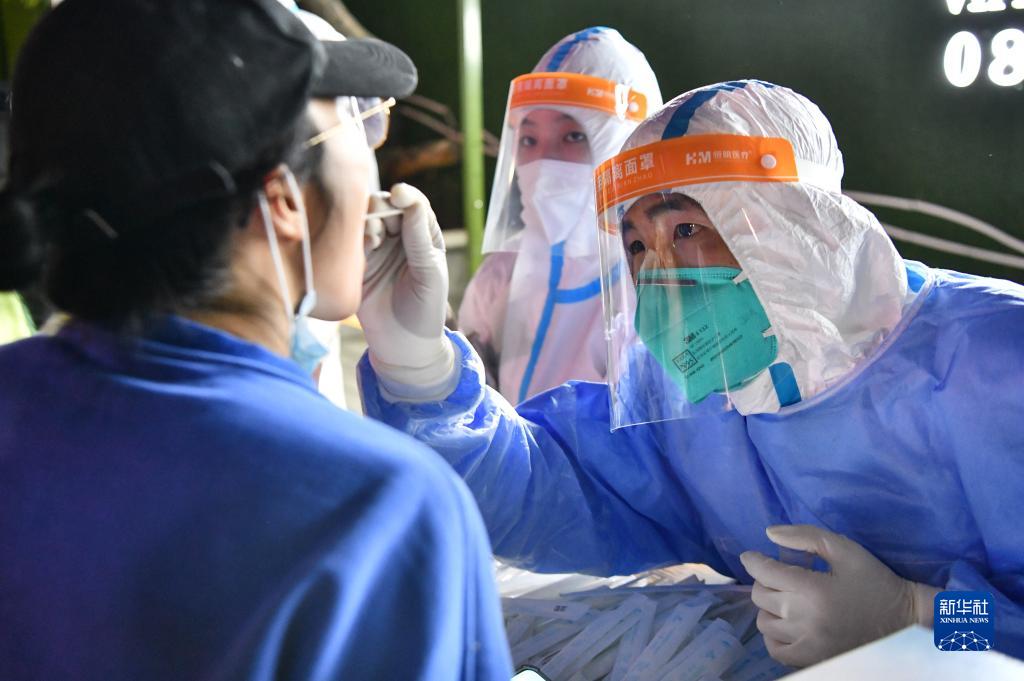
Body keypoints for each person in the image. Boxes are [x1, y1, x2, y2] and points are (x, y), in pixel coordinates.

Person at [358, 79, 1024, 667]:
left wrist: (917, 615)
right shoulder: (693, 403)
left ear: (786, 224)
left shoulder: (995, 360)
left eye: (683, 230)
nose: (659, 277)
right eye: (637, 245)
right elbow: (541, 488)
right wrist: (420, 366)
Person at [0, 1, 511, 679]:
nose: (377, 172)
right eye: (357, 125)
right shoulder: (380, 509)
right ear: (282, 200)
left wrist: (422, 370)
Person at [459, 27, 662, 404]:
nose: (542, 161)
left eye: (572, 136)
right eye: (528, 139)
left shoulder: (654, 291)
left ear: (625, 146)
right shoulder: (501, 274)